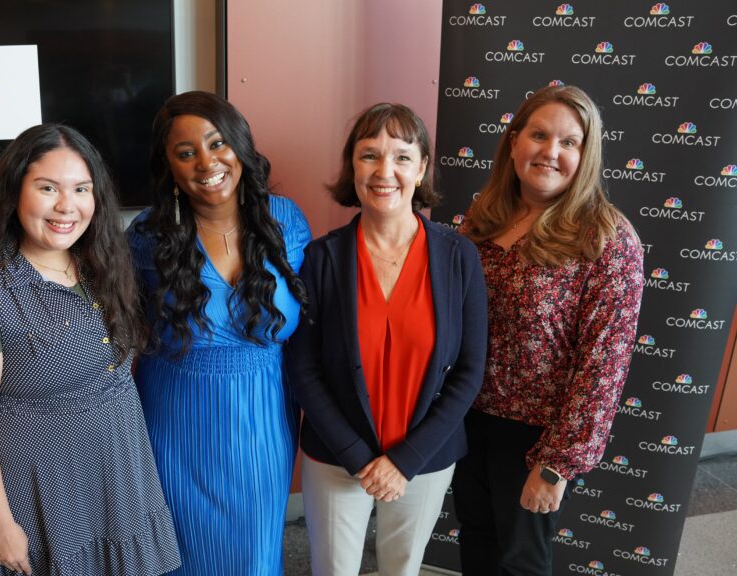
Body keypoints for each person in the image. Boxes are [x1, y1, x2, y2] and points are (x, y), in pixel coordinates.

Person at [0, 124, 181, 576]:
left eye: (81, 189)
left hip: (119, 482)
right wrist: (1, 523)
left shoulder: (101, 264)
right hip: (39, 500)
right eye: (47, 188)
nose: (67, 206)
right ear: (14, 194)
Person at [286, 103, 488, 576]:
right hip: (338, 458)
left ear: (421, 170)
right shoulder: (321, 258)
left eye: (401, 156)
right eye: (369, 155)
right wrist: (359, 459)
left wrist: (403, 461)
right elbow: (303, 368)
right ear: (351, 167)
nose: (384, 171)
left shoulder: (459, 257)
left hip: (425, 457)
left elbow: (469, 370)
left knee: (402, 569)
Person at [454, 84, 644, 575]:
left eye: (569, 142)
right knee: (476, 546)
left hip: (537, 438)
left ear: (586, 154)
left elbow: (604, 367)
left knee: (521, 562)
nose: (550, 152)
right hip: (467, 419)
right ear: (514, 141)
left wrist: (556, 463)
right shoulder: (481, 220)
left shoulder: (606, 238)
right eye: (538, 135)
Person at [126, 90, 310, 575]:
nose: (206, 162)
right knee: (180, 556)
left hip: (263, 419)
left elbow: (311, 327)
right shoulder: (147, 237)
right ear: (169, 166)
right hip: (174, 422)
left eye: (217, 143)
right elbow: (120, 327)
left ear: (240, 146)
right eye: (185, 153)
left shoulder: (286, 220)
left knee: (254, 555)